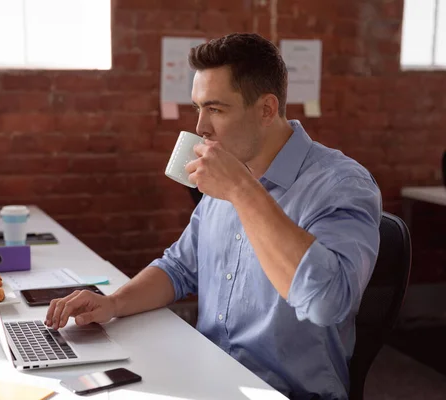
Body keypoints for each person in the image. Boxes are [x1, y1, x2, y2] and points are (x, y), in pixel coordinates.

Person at [45, 33, 382, 400]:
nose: (201, 127)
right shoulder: (231, 169)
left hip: (281, 391)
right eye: (197, 108)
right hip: (206, 375)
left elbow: (326, 301)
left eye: (216, 109)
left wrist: (241, 190)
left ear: (267, 109)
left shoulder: (341, 183)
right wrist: (113, 303)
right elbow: (179, 268)